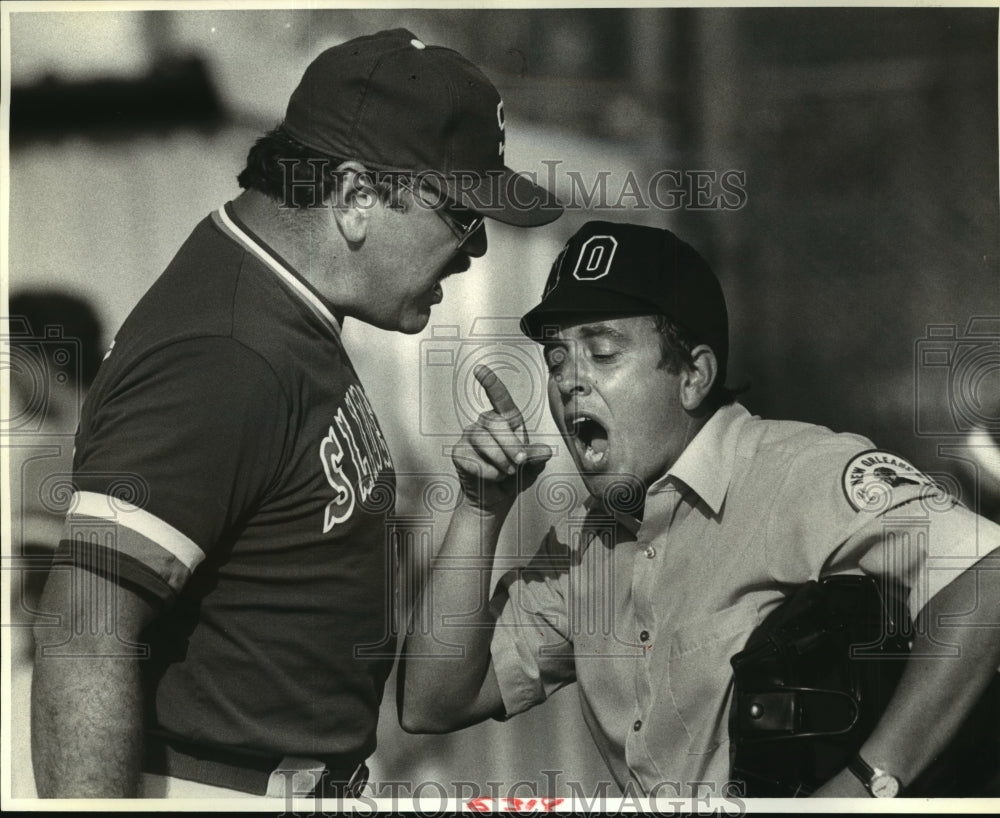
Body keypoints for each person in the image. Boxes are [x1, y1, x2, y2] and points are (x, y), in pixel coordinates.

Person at [30, 27, 561, 799]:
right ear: (353, 196)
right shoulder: (227, 345)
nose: (474, 251)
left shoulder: (285, 309)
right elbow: (82, 635)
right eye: (461, 216)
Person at [398, 220, 1000, 799]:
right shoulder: (585, 542)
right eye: (556, 359)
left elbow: (989, 574)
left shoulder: (800, 471)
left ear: (693, 376)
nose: (569, 381)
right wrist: (481, 508)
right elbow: (433, 702)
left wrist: (869, 785)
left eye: (603, 352)